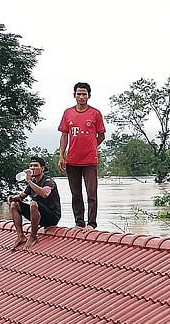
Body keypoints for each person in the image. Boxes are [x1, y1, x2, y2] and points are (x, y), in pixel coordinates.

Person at [58, 82, 106, 231]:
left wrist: (92, 146)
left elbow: (102, 135)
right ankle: (79, 222)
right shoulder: (68, 113)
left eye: (84, 94)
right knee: (76, 194)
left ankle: (91, 223)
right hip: (72, 160)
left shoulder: (95, 114)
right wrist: (61, 155)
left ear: (89, 96)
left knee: (92, 193)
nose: (81, 97)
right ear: (74, 95)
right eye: (78, 94)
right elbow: (64, 135)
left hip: (90, 160)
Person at [7, 156, 61, 250]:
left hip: (51, 216)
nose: (32, 168)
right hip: (37, 213)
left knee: (33, 203)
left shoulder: (48, 181)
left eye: (35, 166)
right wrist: (13, 198)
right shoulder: (32, 183)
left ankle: (33, 236)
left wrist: (28, 181)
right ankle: (21, 236)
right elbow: (21, 196)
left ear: (42, 168)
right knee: (14, 205)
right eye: (31, 166)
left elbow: (45, 194)